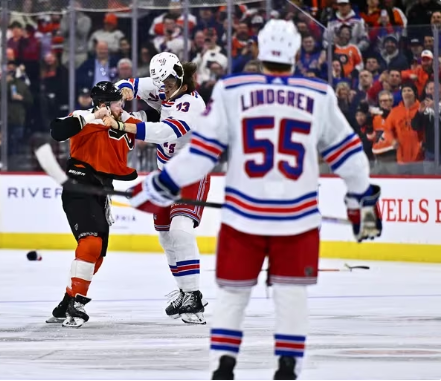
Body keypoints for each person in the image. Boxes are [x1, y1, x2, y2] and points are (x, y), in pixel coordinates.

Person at [126, 20, 383, 379]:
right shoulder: (319, 94)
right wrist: (363, 203)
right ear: (295, 53)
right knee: (291, 294)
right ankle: (288, 368)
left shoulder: (232, 90)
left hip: (244, 215)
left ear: (260, 53)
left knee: (233, 293)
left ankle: (224, 366)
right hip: (298, 217)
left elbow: (201, 154)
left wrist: (159, 185)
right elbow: (350, 156)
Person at [113, 52, 209, 325]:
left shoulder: (193, 104)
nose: (162, 89)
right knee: (166, 237)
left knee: (180, 229)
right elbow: (130, 83)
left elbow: (165, 132)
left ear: (179, 76)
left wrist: (125, 123)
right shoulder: (161, 83)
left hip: (190, 172)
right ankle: (184, 292)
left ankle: (194, 295)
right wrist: (121, 96)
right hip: (165, 173)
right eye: (160, 83)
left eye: (167, 83)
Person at [46, 81, 141, 328]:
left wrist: (136, 90)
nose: (122, 106)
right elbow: (57, 131)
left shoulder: (126, 120)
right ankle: (77, 303)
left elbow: (159, 124)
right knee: (91, 243)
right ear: (102, 104)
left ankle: (67, 301)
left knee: (97, 255)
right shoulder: (84, 116)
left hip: (101, 192)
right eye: (116, 102)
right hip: (78, 185)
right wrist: (92, 117)